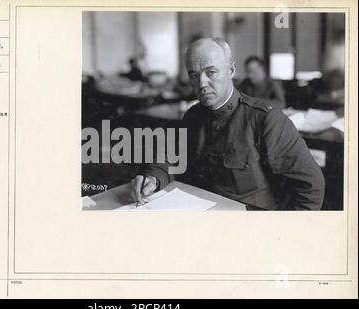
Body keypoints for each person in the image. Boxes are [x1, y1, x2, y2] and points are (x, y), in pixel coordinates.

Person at [130, 38, 325, 210]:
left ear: (231, 70)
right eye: (194, 75)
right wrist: (153, 177)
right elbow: (172, 158)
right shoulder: (192, 116)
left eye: (211, 72)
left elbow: (311, 185)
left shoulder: (265, 120)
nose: (201, 84)